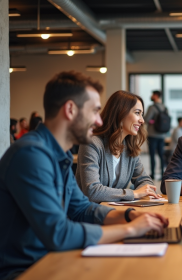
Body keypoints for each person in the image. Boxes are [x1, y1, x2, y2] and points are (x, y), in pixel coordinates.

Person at [0, 71, 168, 280]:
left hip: (53, 259)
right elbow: (58, 234)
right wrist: (130, 230)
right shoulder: (30, 155)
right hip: (26, 270)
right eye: (95, 111)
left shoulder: (56, 154)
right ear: (70, 110)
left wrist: (128, 215)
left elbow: (81, 208)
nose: (99, 120)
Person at [76, 90, 160, 203]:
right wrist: (134, 193)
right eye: (137, 113)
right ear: (120, 113)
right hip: (88, 214)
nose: (142, 120)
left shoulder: (130, 146)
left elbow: (144, 180)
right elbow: (92, 191)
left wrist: (146, 190)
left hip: (113, 210)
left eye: (142, 114)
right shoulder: (92, 143)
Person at [144, 90, 168, 179]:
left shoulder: (152, 107)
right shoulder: (164, 107)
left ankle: (153, 174)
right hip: (162, 135)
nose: (151, 96)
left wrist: (151, 121)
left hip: (153, 135)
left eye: (152, 95)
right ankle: (162, 174)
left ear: (156, 96)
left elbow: (146, 119)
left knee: (152, 155)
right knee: (161, 155)